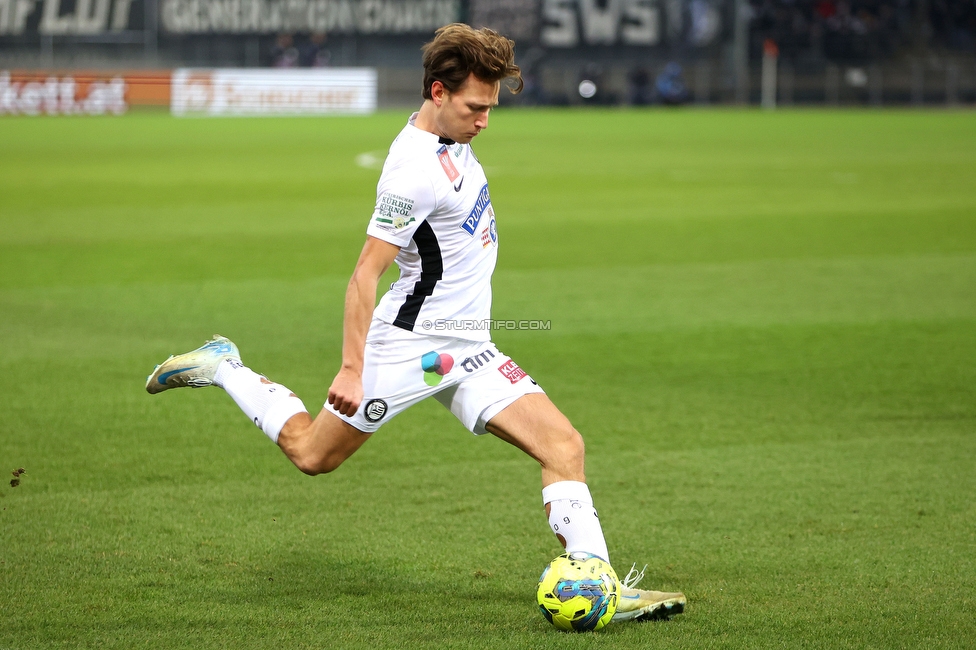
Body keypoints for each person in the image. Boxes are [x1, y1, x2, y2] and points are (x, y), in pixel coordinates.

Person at [146, 23, 685, 624]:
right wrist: (353, 368)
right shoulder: (411, 174)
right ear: (437, 92)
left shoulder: (453, 134)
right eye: (475, 107)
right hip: (408, 346)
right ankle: (225, 365)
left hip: (468, 346)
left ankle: (599, 583)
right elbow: (362, 276)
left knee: (563, 445)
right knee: (312, 454)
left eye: (491, 108)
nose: (484, 121)